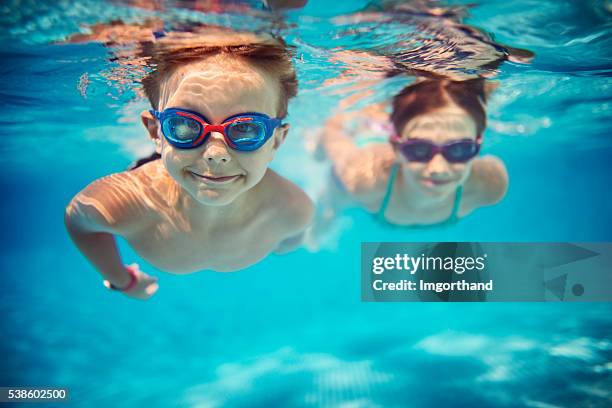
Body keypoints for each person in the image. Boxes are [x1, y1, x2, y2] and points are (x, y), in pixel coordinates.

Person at [65, 29, 314, 300]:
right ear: (155, 133)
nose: (216, 154)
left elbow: (292, 240)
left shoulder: (293, 211)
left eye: (246, 130)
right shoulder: (123, 203)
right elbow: (78, 222)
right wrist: (121, 280)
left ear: (276, 141)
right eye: (183, 124)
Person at [315, 78, 507, 230]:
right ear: (396, 148)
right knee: (332, 205)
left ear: (477, 146)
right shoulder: (362, 177)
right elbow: (331, 133)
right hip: (368, 146)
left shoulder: (489, 185)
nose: (438, 169)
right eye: (419, 149)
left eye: (458, 149)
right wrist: (318, 153)